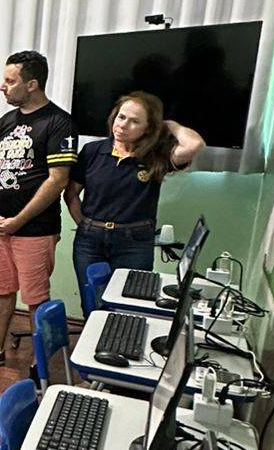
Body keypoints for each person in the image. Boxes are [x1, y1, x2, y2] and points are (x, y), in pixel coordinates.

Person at [0, 50, 77, 370]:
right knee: (1, 291)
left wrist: (18, 221)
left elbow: (57, 181)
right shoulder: (6, 121)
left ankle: (41, 363)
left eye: (10, 81)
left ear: (32, 84)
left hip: (35, 229)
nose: (3, 86)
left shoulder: (59, 123)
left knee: (35, 298)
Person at [67, 92, 204, 303]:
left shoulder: (156, 156)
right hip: (89, 243)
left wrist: (169, 125)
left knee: (130, 302)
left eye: (134, 121)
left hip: (134, 243)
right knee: (92, 303)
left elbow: (194, 145)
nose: (123, 125)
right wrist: (86, 225)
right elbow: (71, 194)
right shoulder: (92, 151)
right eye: (121, 117)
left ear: (148, 128)